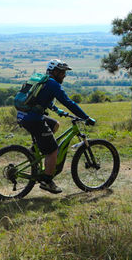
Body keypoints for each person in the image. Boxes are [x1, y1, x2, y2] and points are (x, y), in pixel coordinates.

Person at [17, 59, 95, 194]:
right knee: (53, 150)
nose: (64, 75)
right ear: (56, 72)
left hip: (23, 114)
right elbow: (68, 102)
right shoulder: (54, 85)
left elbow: (41, 99)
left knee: (55, 124)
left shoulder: (44, 80)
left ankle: (36, 151)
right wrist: (85, 117)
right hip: (33, 119)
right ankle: (47, 181)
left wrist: (57, 110)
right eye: (63, 72)